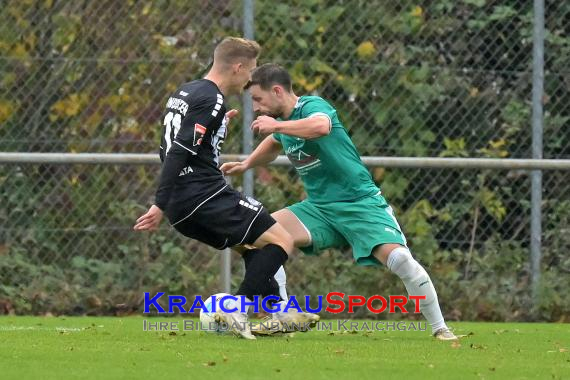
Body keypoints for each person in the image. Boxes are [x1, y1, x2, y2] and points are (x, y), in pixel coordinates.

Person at [221, 63, 458, 340]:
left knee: (401, 260)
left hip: (359, 203)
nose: (257, 107)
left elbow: (321, 126)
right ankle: (281, 316)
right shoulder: (284, 126)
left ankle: (441, 329)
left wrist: (278, 125)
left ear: (277, 91)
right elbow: (274, 143)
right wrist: (246, 164)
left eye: (258, 99)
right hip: (319, 208)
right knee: (260, 236)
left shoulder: (311, 106)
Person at [134, 39, 299, 340]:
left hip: (182, 206)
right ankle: (238, 306)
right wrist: (159, 203)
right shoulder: (212, 99)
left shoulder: (186, 91)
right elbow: (178, 152)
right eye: (249, 71)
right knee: (282, 240)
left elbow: (175, 142)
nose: (250, 79)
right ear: (237, 67)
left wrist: (217, 124)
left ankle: (279, 314)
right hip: (201, 194)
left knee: (254, 247)